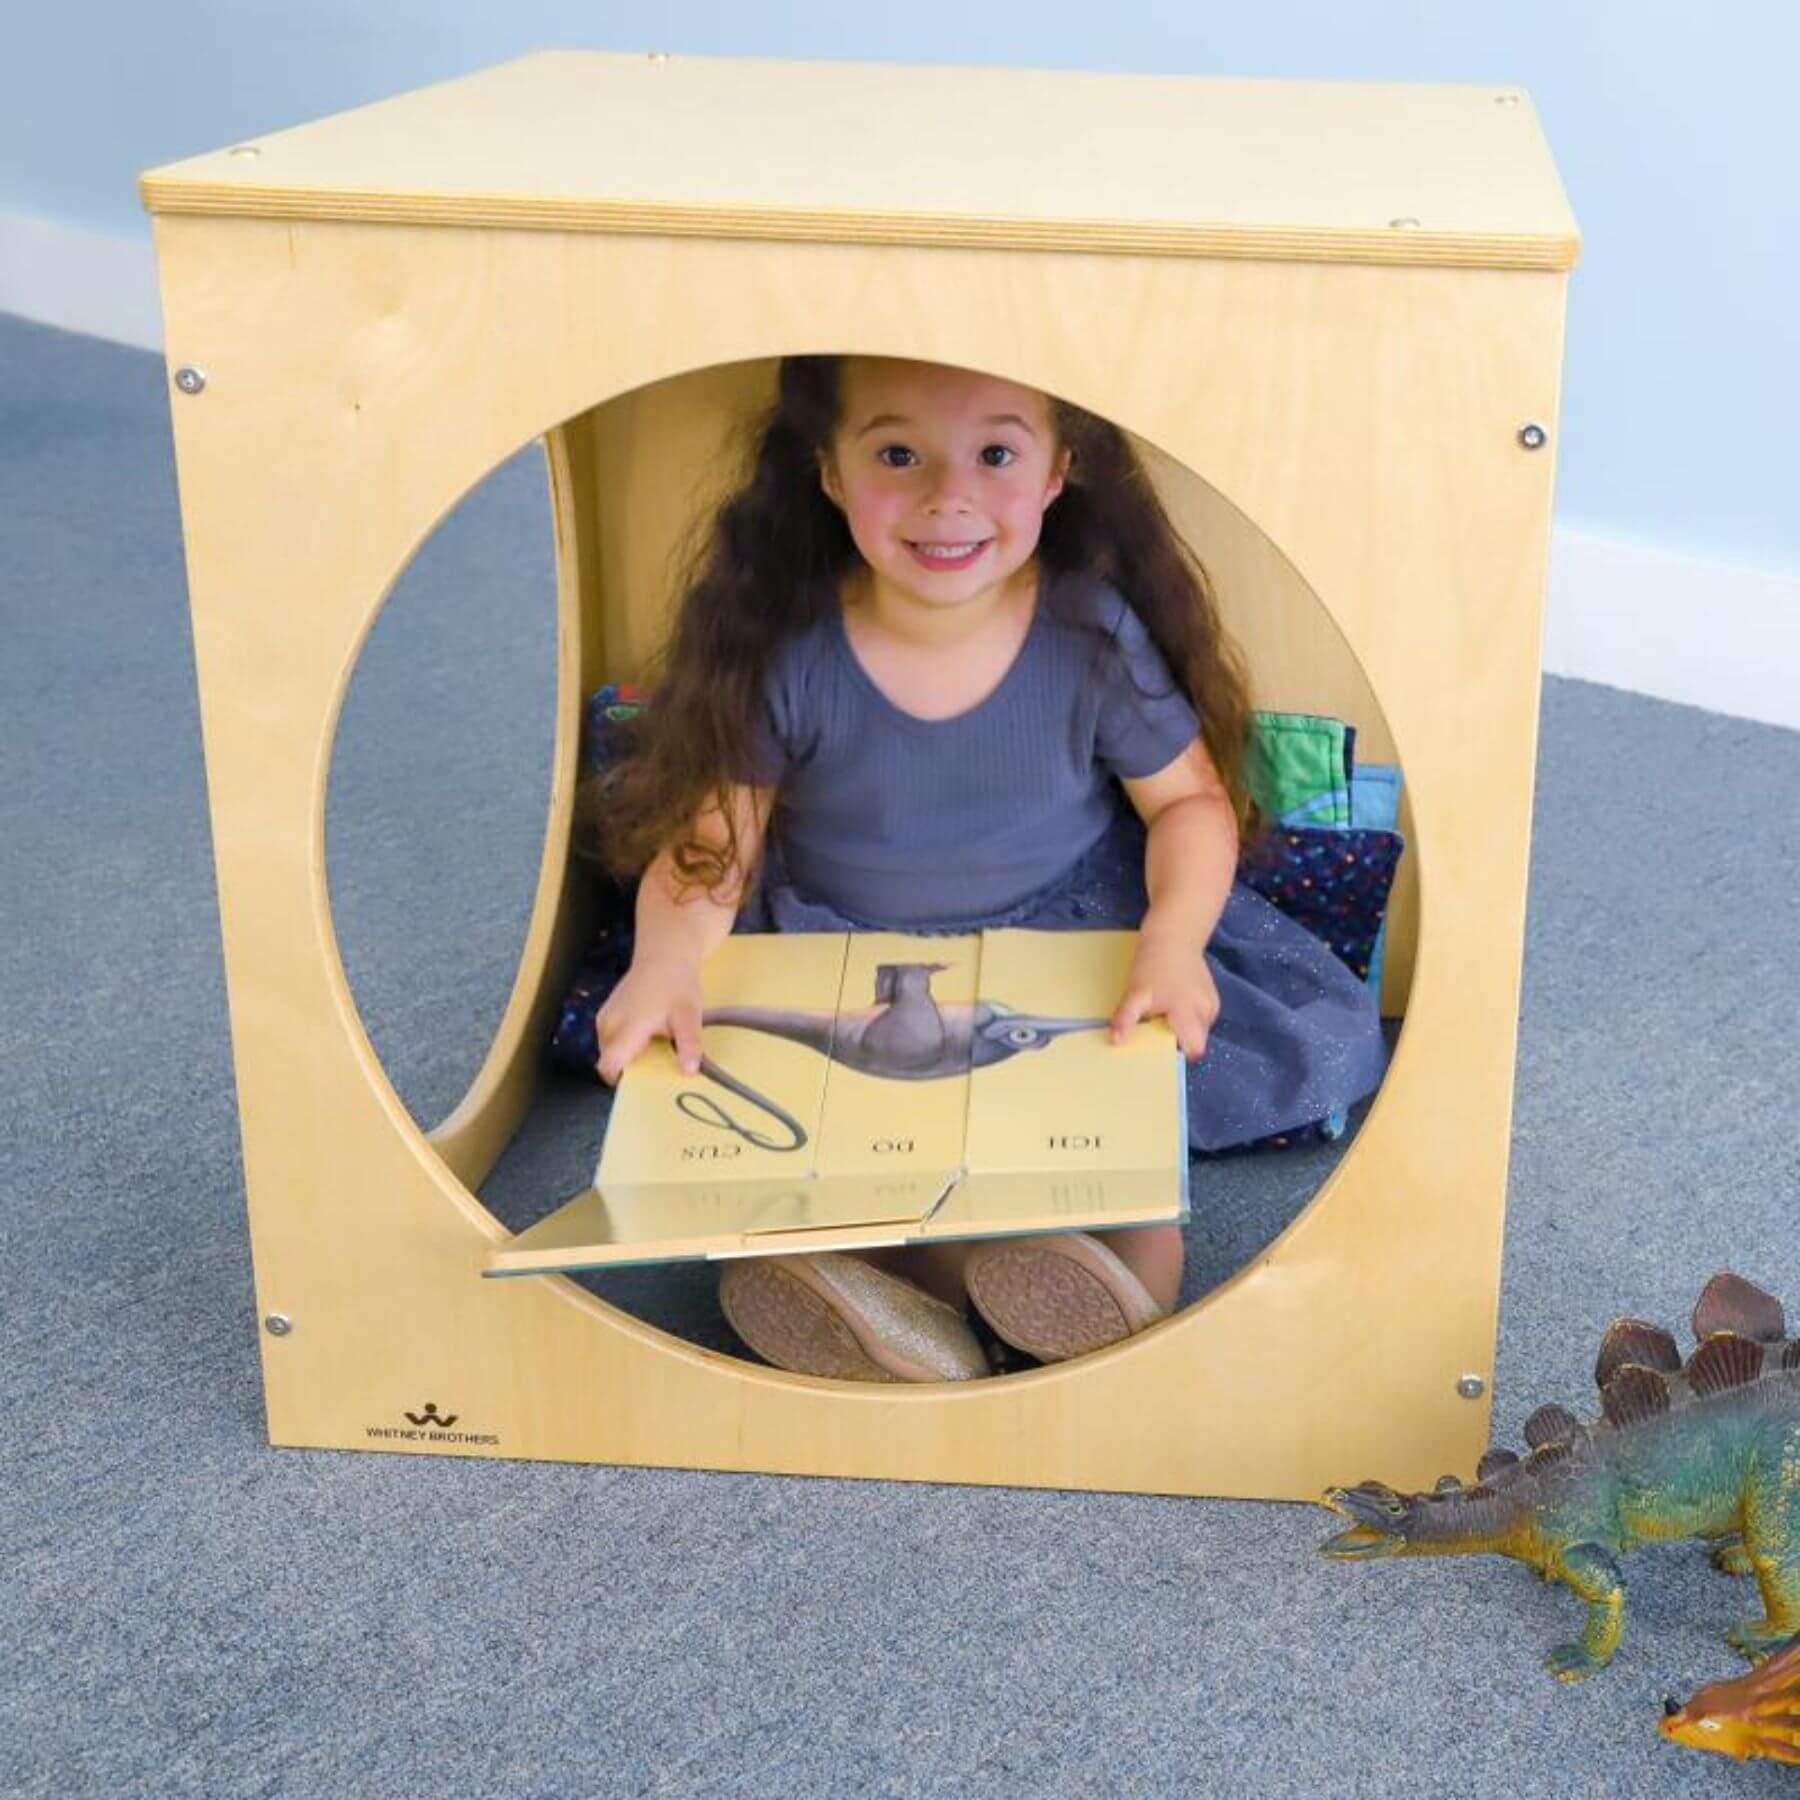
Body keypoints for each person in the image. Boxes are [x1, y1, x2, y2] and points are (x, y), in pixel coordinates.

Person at [567, 354, 1387, 1382]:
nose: (947, 497)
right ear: (827, 471)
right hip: (845, 960)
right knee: (831, 1157)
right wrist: (667, 963)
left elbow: (1187, 803)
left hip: (1064, 943)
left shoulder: (1088, 632)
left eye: (995, 454)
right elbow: (711, 846)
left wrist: (1173, 944)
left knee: (1122, 1160)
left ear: (1057, 474)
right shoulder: (788, 646)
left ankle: (1070, 1289)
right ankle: (911, 1302)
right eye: (898, 454)